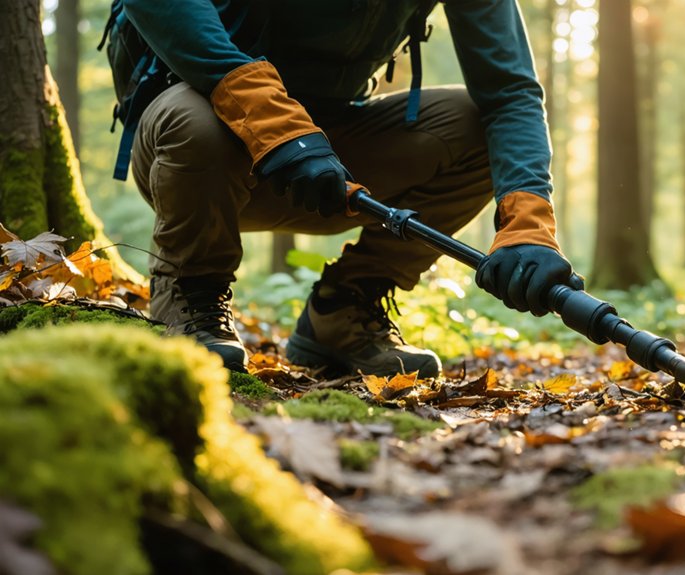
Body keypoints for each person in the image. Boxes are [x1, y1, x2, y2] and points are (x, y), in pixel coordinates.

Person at [123, 0, 581, 377]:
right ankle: (190, 292)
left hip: (332, 161)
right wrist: (275, 123)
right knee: (201, 123)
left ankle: (343, 310)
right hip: (197, 138)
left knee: (477, 129)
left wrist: (529, 225)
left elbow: (510, 94)